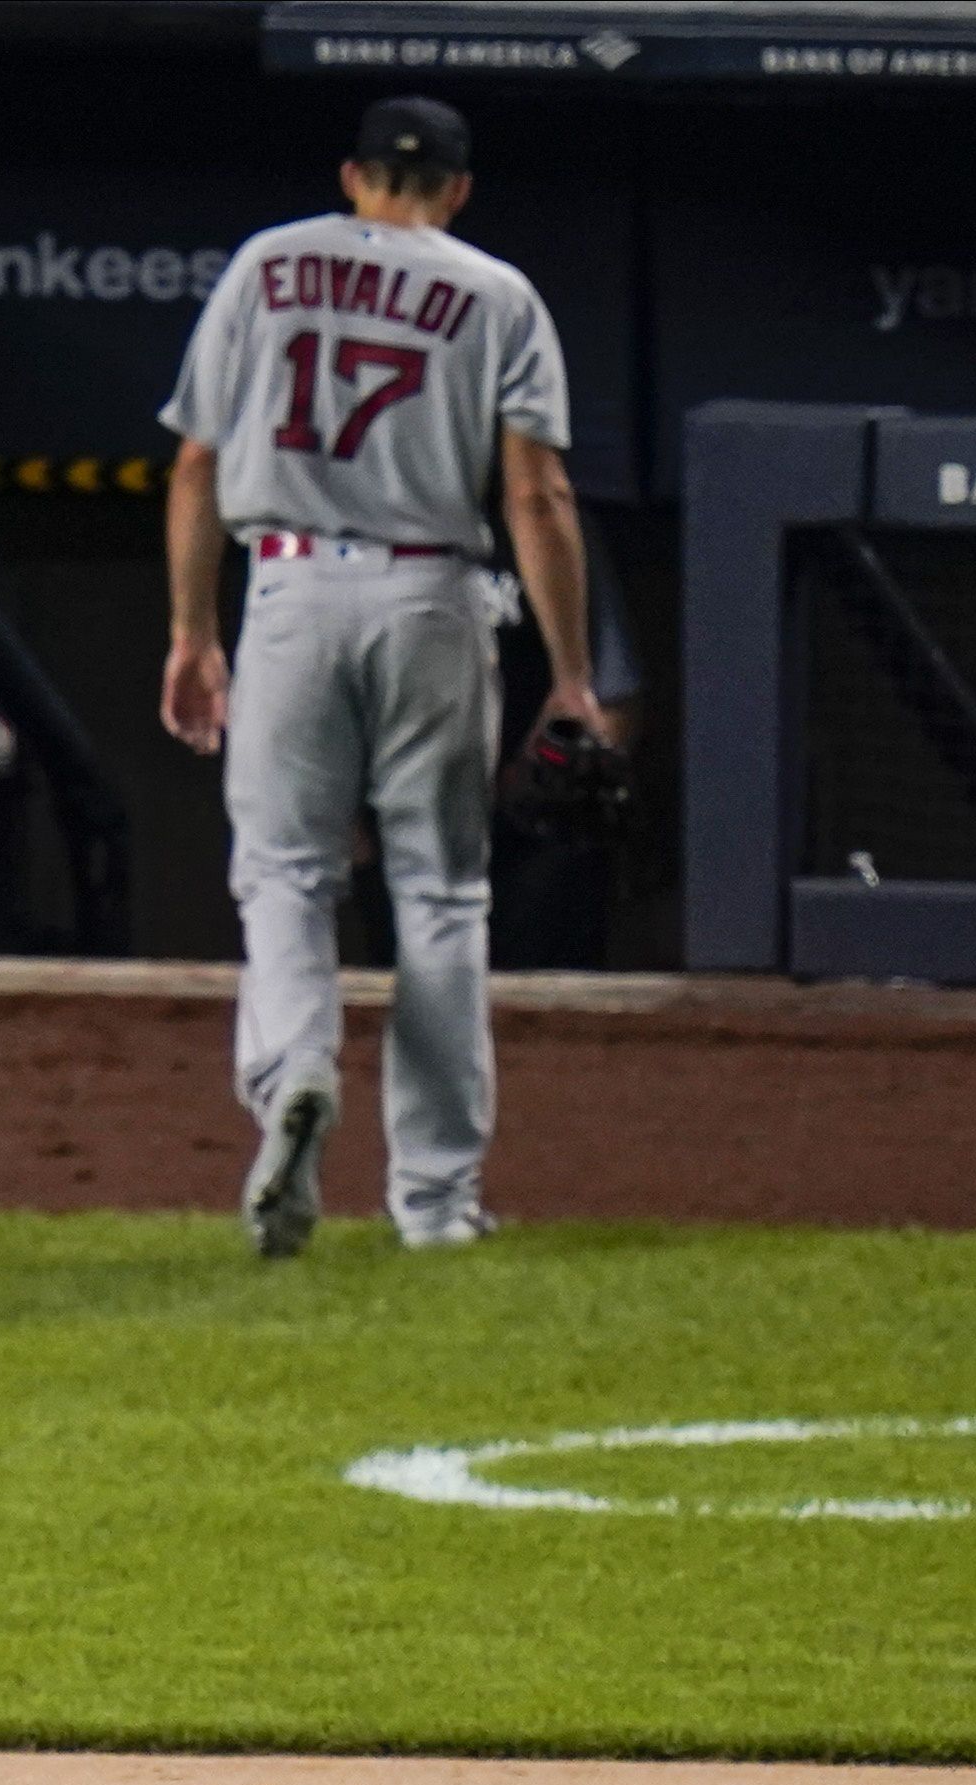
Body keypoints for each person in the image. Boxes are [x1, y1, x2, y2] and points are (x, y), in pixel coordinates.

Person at [157, 93, 617, 1258]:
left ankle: (294, 1070)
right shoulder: (496, 291)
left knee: (282, 874)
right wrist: (569, 676)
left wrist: (188, 632)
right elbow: (535, 495)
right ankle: (434, 1203)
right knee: (439, 896)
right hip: (430, 597)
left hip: (291, 587)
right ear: (456, 189)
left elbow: (195, 465)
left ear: (352, 177)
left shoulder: (265, 264)